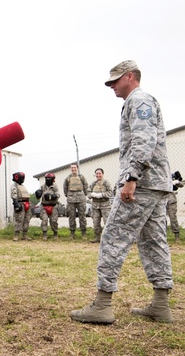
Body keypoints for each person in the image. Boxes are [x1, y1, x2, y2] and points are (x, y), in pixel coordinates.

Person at [70, 60, 174, 325]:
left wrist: (131, 178)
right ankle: (161, 305)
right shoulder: (141, 101)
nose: (112, 86)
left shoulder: (139, 100)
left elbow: (144, 140)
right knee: (153, 241)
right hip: (155, 184)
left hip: (142, 184)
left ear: (131, 76)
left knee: (113, 237)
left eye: (116, 80)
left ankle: (102, 305)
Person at [64, 164, 89, 240]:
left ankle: (83, 233)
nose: (73, 169)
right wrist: (69, 195)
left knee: (82, 216)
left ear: (77, 168)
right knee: (72, 216)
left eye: (74, 167)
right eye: (72, 168)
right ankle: (72, 233)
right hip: (71, 200)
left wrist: (83, 195)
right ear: (70, 169)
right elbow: (65, 189)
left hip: (81, 199)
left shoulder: (82, 177)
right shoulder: (67, 178)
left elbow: (86, 186)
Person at [88, 168, 113, 243]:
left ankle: (108, 238)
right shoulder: (93, 183)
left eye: (99, 173)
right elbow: (88, 192)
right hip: (95, 206)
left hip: (105, 205)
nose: (98, 175)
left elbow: (110, 193)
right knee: (96, 222)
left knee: (107, 222)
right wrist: (91, 195)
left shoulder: (106, 183)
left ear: (102, 174)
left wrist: (101, 195)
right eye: (97, 173)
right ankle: (97, 237)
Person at [36, 173, 62, 240]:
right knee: (44, 220)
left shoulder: (55, 186)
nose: (48, 180)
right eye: (46, 178)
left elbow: (58, 195)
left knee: (53, 221)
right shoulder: (42, 187)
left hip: (53, 206)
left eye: (49, 179)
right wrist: (38, 193)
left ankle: (55, 233)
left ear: (53, 179)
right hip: (44, 206)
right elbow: (38, 194)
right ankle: (44, 234)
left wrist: (51, 196)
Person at [10, 172, 32, 241]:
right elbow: (14, 195)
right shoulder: (14, 186)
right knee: (19, 220)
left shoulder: (22, 186)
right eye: (22, 178)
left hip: (27, 203)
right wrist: (16, 203)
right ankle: (16, 235)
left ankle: (24, 235)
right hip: (20, 203)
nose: (23, 179)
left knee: (27, 219)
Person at [166, 171, 185, 242]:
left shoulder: (171, 175)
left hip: (171, 200)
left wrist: (177, 181)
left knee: (173, 217)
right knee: (161, 219)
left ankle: (177, 236)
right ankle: (163, 236)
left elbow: (182, 184)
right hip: (160, 200)